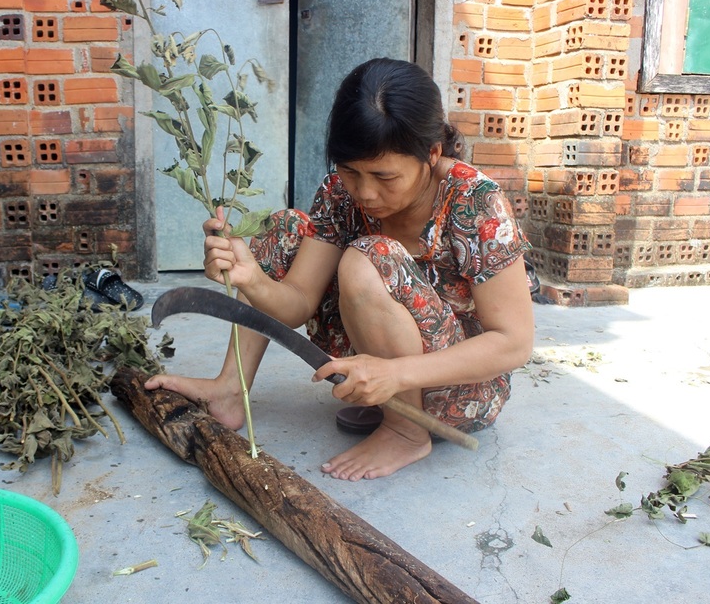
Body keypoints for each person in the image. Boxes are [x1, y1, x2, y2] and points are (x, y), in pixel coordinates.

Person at [146, 58, 534, 481]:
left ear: (432, 153)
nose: (365, 192)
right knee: (283, 230)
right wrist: (252, 277)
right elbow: (297, 303)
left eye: (385, 177)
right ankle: (229, 388)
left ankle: (407, 432)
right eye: (350, 171)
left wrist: (397, 373)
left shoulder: (476, 202)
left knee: (372, 257)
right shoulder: (339, 195)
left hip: (459, 391)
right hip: (375, 376)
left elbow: (514, 343)